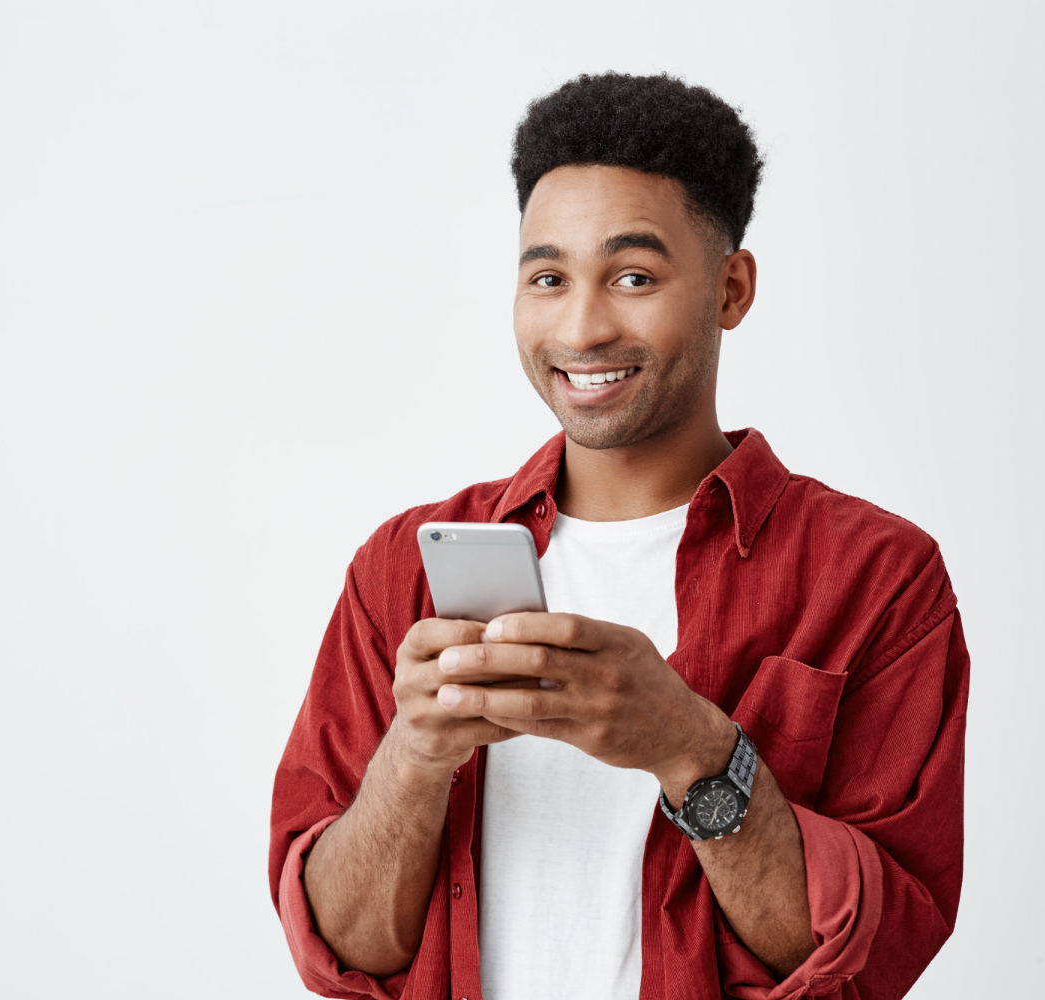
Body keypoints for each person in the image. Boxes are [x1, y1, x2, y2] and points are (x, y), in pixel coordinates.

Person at [269, 71, 967, 1000]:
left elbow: (874, 957)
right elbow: (340, 953)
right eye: (548, 278)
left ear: (732, 288)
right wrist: (416, 754)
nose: (583, 326)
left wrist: (689, 748)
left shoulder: (877, 577)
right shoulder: (398, 568)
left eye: (633, 277)